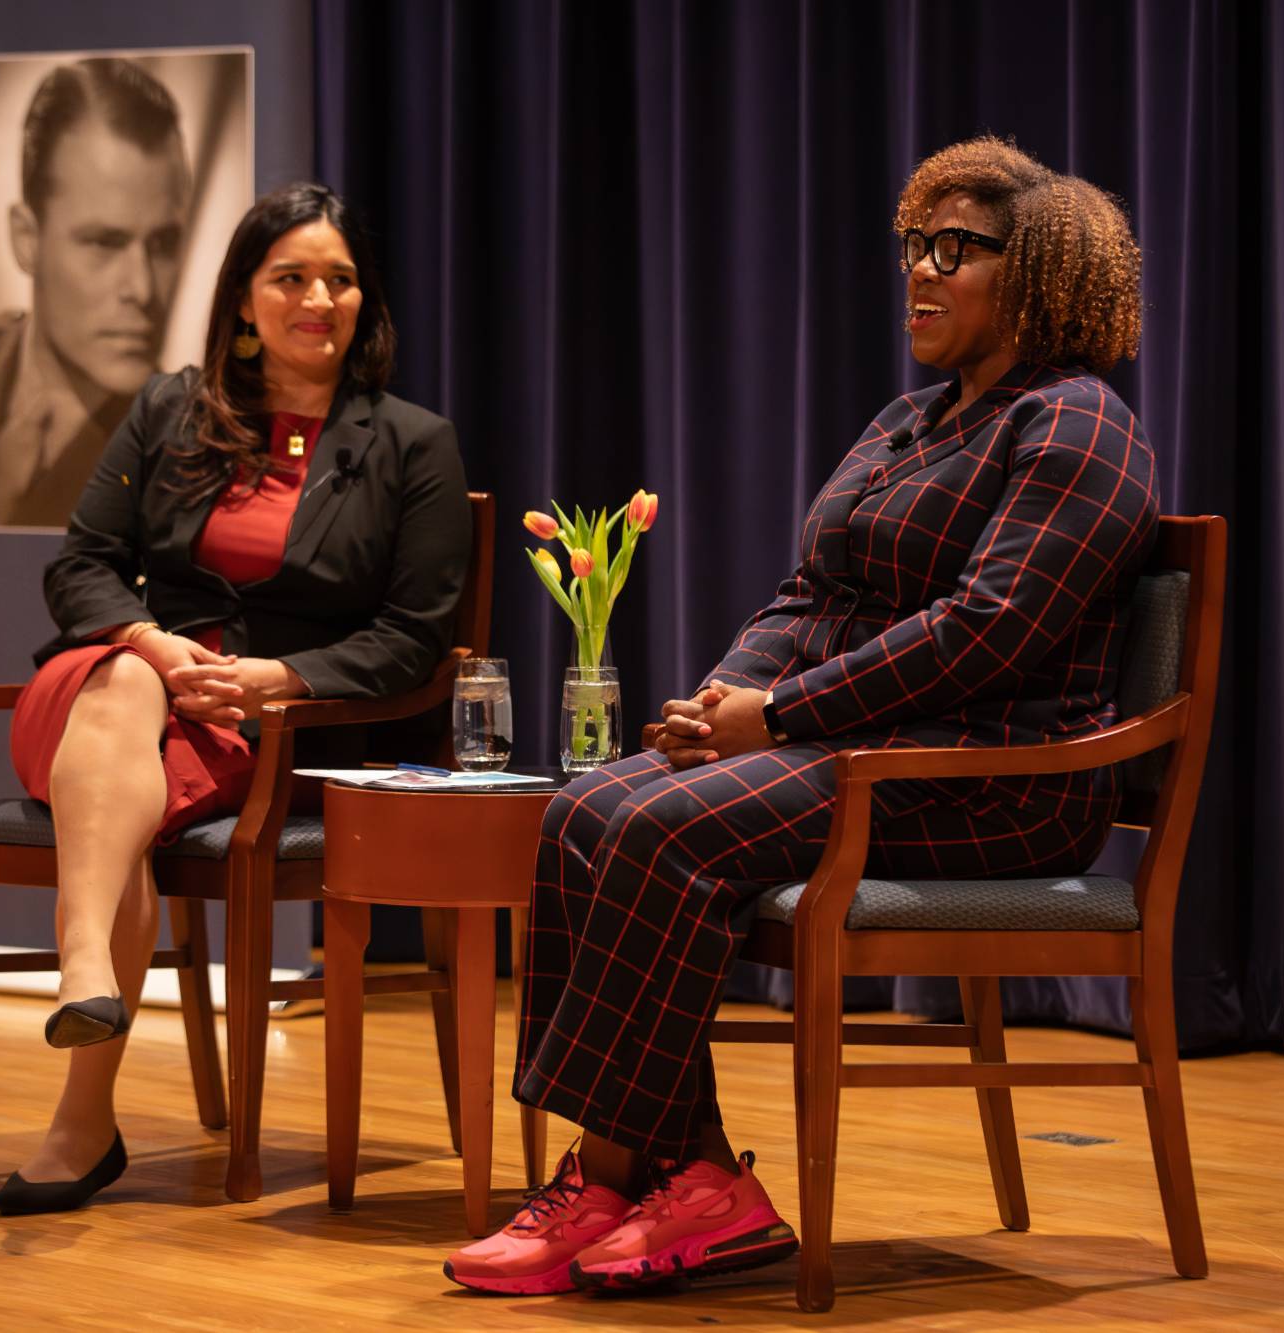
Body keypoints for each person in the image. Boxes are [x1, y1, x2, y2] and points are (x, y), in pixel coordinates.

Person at [445, 136, 1158, 1295]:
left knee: (656, 829)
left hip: (997, 779)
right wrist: (718, 702)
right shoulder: (905, 423)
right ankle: (675, 1181)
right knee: (588, 804)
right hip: (867, 751)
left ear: (1031, 275)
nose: (919, 273)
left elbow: (987, 631)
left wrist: (780, 713)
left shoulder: (1076, 424)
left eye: (953, 251)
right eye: (911, 249)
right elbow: (809, 592)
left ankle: (619, 1171)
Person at [0, 183, 471, 1215]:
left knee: (110, 816)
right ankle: (88, 995)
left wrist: (277, 680)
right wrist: (157, 647)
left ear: (363, 302)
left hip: (270, 726)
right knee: (116, 684)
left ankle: (82, 1100)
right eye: (289, 277)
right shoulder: (170, 409)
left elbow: (415, 636)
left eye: (339, 279)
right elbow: (82, 565)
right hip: (113, 687)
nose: (317, 298)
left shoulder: (409, 445)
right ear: (244, 303)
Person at [0, 57, 192, 529]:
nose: (142, 288)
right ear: (27, 240)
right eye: (103, 242)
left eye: (163, 244)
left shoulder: (192, 453)